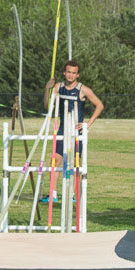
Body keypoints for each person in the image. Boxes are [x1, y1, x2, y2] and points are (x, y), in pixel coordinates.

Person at [43, 59, 105, 189]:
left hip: (77, 131)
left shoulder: (83, 89)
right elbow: (48, 106)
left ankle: (74, 195)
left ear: (78, 75)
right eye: (68, 72)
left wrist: (88, 124)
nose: (71, 75)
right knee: (55, 160)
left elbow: (99, 105)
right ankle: (52, 194)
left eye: (74, 73)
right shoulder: (58, 87)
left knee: (76, 163)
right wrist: (47, 89)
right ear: (64, 73)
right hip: (62, 129)